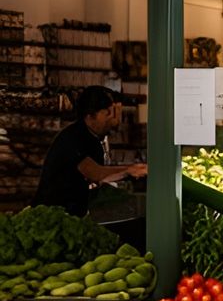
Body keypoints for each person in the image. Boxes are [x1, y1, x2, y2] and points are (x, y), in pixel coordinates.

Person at [34, 85, 147, 217]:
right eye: (107, 113)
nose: (112, 118)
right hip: (51, 214)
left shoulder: (94, 139)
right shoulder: (73, 138)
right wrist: (129, 170)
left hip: (73, 213)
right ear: (90, 116)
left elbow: (101, 179)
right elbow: (95, 173)